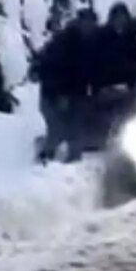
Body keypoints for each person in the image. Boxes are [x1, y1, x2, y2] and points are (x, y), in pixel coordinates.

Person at [34, 8, 100, 163]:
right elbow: (52, 68)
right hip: (53, 93)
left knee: (75, 128)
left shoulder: (91, 43)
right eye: (86, 23)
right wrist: (59, 95)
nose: (88, 27)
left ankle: (73, 160)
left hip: (76, 93)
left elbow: (92, 69)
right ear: (79, 22)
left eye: (91, 24)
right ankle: (44, 158)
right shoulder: (64, 41)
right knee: (57, 128)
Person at [96, 2, 136, 91]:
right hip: (108, 85)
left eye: (123, 17)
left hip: (129, 84)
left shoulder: (131, 36)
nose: (120, 20)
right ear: (112, 19)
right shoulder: (103, 36)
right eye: (117, 17)